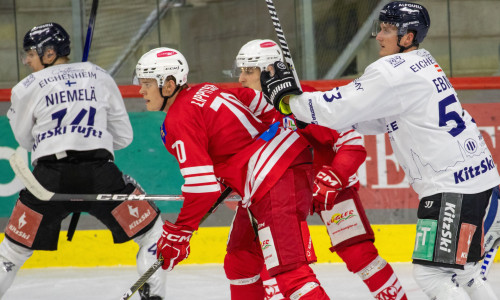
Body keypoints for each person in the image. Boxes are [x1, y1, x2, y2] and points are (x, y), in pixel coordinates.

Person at [260, 2, 500, 300]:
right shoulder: (423, 61)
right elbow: (374, 119)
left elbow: (336, 108)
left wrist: (288, 101)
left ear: (408, 37)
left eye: (387, 29)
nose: (378, 36)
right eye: (380, 28)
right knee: (466, 273)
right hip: (482, 183)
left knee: (431, 275)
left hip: (452, 190)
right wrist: (304, 112)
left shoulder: (390, 71)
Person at [134, 47, 330, 299]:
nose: (141, 91)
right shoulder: (207, 89)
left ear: (169, 85)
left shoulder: (179, 119)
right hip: (275, 173)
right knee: (240, 260)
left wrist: (180, 233)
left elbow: (202, 188)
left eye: (147, 84)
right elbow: (259, 102)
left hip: (274, 178)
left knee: (291, 273)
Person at [231, 39, 408, 300]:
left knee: (359, 254)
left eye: (249, 71)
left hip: (327, 187)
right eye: (241, 71)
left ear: (270, 71)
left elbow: (352, 143)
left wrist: (334, 178)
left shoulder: (305, 100)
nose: (242, 79)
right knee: (265, 264)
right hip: (279, 195)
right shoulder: (244, 112)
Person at [3, 23, 166, 300]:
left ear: (50, 52)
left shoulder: (24, 87)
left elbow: (27, 141)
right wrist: (92, 142)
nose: (27, 60)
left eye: (30, 53)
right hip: (101, 175)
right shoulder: (99, 76)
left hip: (47, 181)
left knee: (12, 251)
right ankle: (154, 296)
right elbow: (123, 136)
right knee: (153, 233)